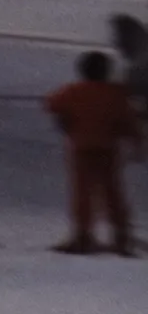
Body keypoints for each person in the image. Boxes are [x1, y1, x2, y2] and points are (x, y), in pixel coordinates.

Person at [44, 50, 142, 256]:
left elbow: (52, 104)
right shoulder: (116, 94)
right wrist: (137, 145)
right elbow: (129, 122)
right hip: (108, 150)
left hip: (81, 149)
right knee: (113, 194)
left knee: (82, 193)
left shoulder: (74, 91)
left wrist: (66, 122)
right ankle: (121, 237)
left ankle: (82, 236)